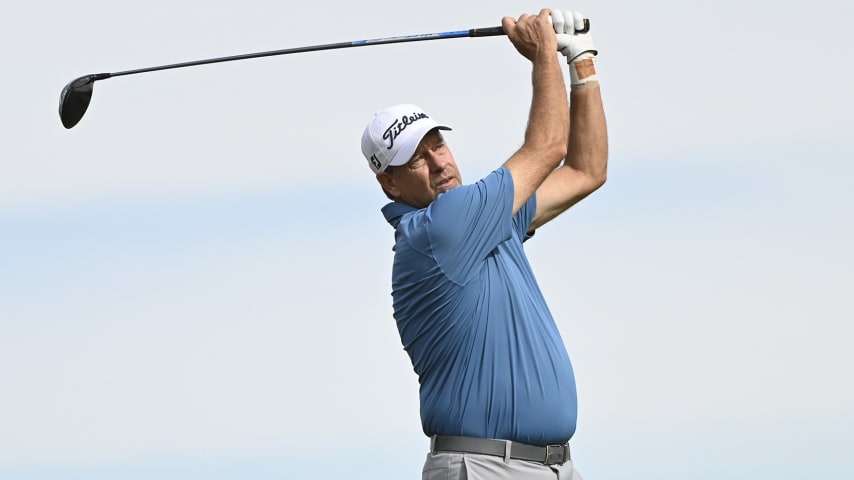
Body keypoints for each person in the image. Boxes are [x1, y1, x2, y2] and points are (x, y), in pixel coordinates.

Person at [360, 7, 607, 480]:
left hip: (555, 467)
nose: (438, 163)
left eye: (438, 144)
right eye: (416, 159)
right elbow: (549, 148)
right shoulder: (439, 229)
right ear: (390, 184)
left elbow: (584, 171)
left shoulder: (487, 220)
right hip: (484, 467)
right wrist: (543, 55)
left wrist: (581, 60)